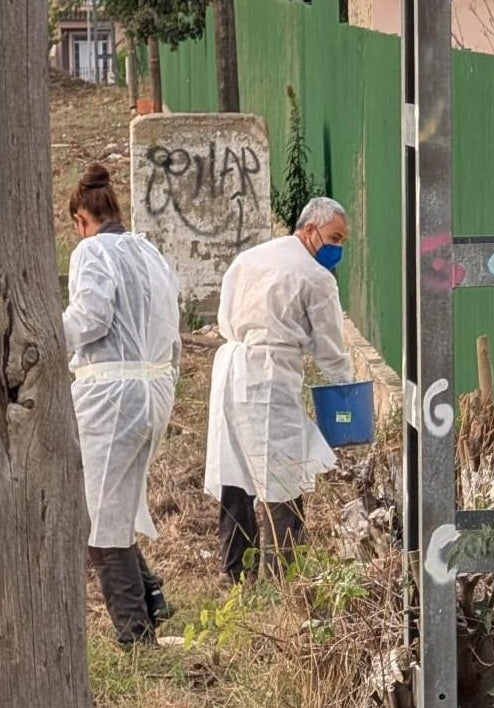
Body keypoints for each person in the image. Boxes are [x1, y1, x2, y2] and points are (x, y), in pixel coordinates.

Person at [205, 196, 354, 583]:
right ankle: (283, 575)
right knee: (282, 471)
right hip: (270, 376)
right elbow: (330, 348)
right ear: (309, 230)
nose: (338, 248)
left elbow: (224, 313)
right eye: (334, 237)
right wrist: (348, 394)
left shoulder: (250, 258)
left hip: (232, 368)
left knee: (235, 469)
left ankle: (235, 569)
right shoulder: (316, 278)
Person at [63, 163, 180, 646]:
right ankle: (152, 602)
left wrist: (44, 338)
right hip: (153, 391)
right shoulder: (148, 251)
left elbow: (90, 316)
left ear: (80, 220)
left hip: (110, 396)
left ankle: (135, 634)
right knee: (120, 505)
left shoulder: (91, 252)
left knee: (100, 518)